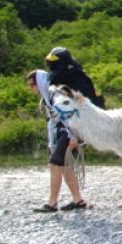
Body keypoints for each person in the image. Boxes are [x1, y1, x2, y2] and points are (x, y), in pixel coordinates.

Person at [28, 68, 87, 212]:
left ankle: (52, 203)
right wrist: (51, 143)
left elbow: (68, 116)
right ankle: (78, 200)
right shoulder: (47, 97)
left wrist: (73, 137)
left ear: (39, 82)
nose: (31, 88)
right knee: (65, 166)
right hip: (62, 132)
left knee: (55, 164)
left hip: (67, 131)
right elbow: (52, 122)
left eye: (32, 84)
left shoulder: (54, 95)